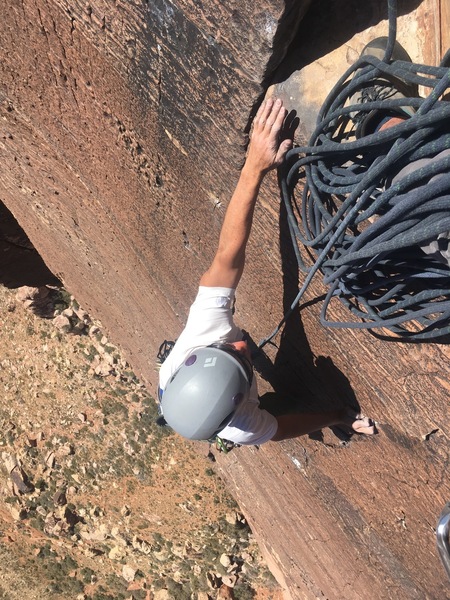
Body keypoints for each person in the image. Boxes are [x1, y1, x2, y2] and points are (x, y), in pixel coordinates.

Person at [158, 97, 376, 445]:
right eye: (244, 359)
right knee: (281, 405)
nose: (246, 343)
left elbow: (228, 255)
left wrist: (254, 166)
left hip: (195, 378)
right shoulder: (244, 426)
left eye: (232, 349)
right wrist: (339, 416)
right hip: (234, 413)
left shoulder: (202, 332)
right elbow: (282, 430)